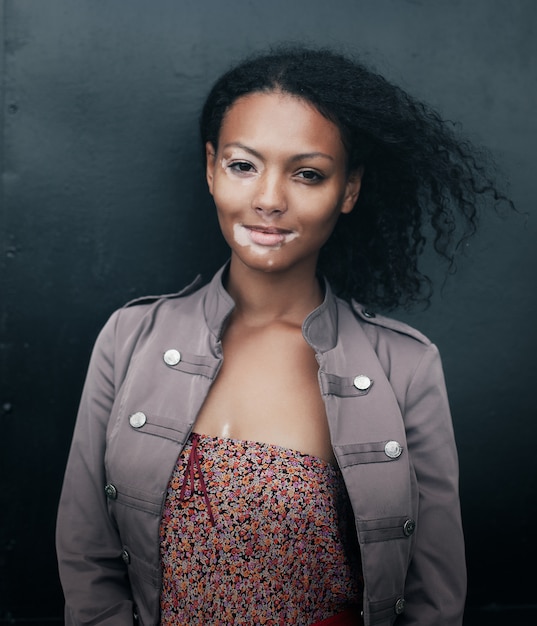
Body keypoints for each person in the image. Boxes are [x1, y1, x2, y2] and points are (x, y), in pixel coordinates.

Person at [56, 45, 511, 626]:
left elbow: (433, 596)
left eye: (308, 174)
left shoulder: (406, 365)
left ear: (348, 190)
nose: (269, 199)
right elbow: (86, 554)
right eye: (243, 165)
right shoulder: (129, 338)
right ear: (211, 167)